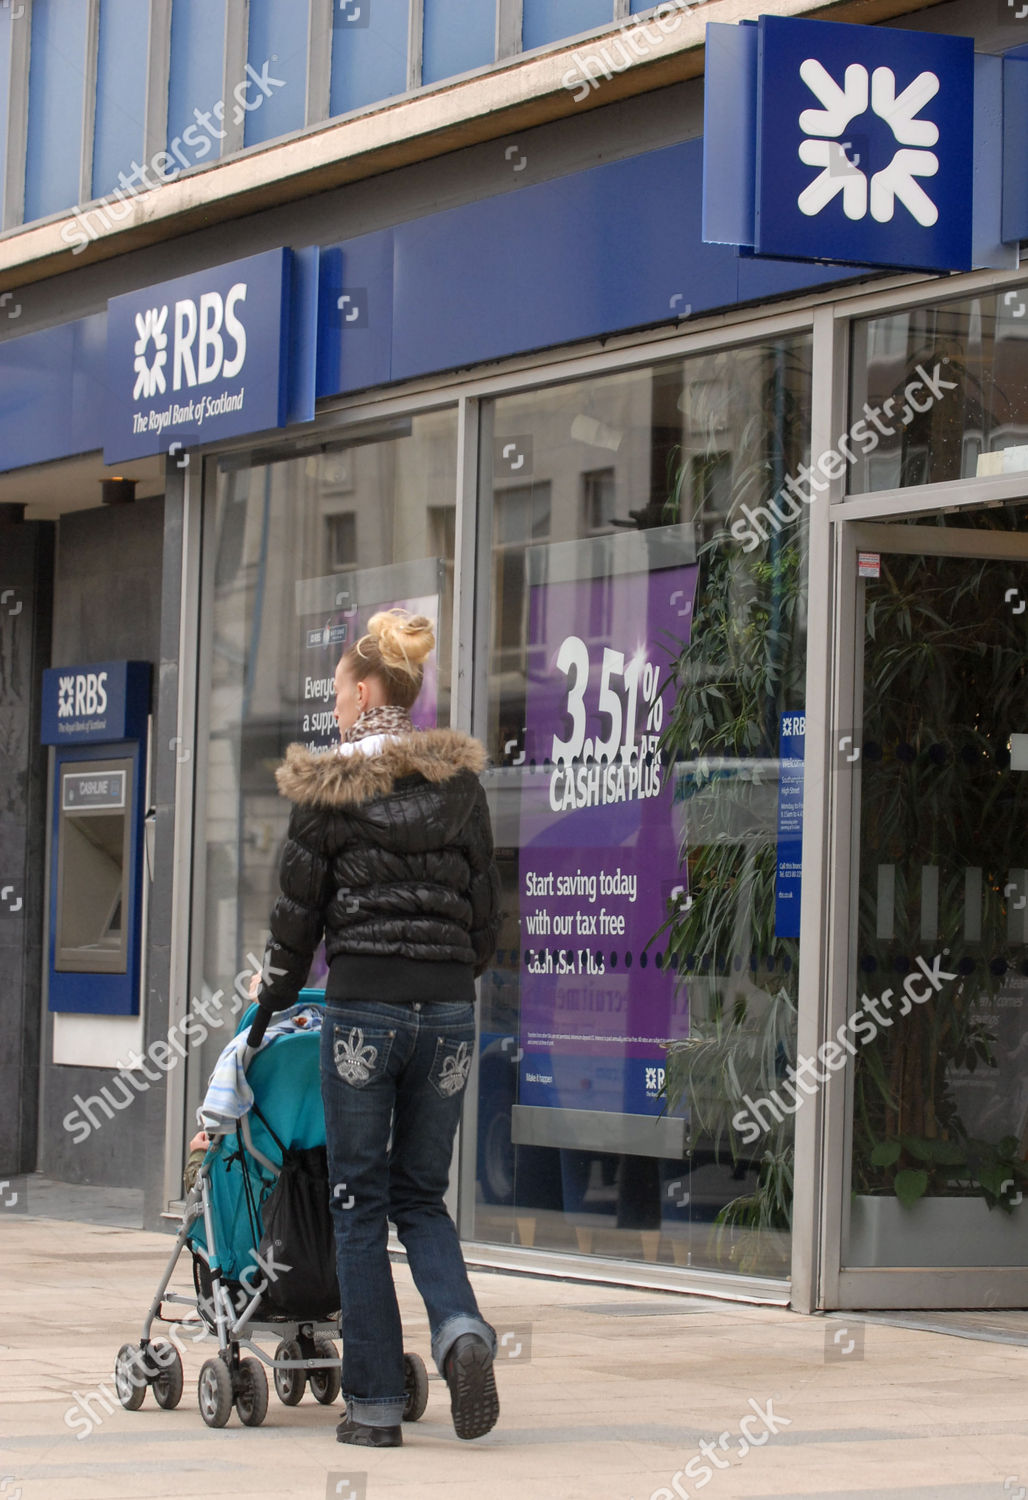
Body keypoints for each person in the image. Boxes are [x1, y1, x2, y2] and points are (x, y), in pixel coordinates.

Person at [254, 608, 501, 1447]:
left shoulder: (329, 786)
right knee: (420, 1196)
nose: (336, 708)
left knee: (356, 1200)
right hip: (447, 1014)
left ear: (365, 691)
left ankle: (372, 1407)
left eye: (338, 694)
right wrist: (444, 986)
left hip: (361, 1005)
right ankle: (462, 1332)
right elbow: (485, 916)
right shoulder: (460, 785)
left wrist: (270, 1000)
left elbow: (298, 919)